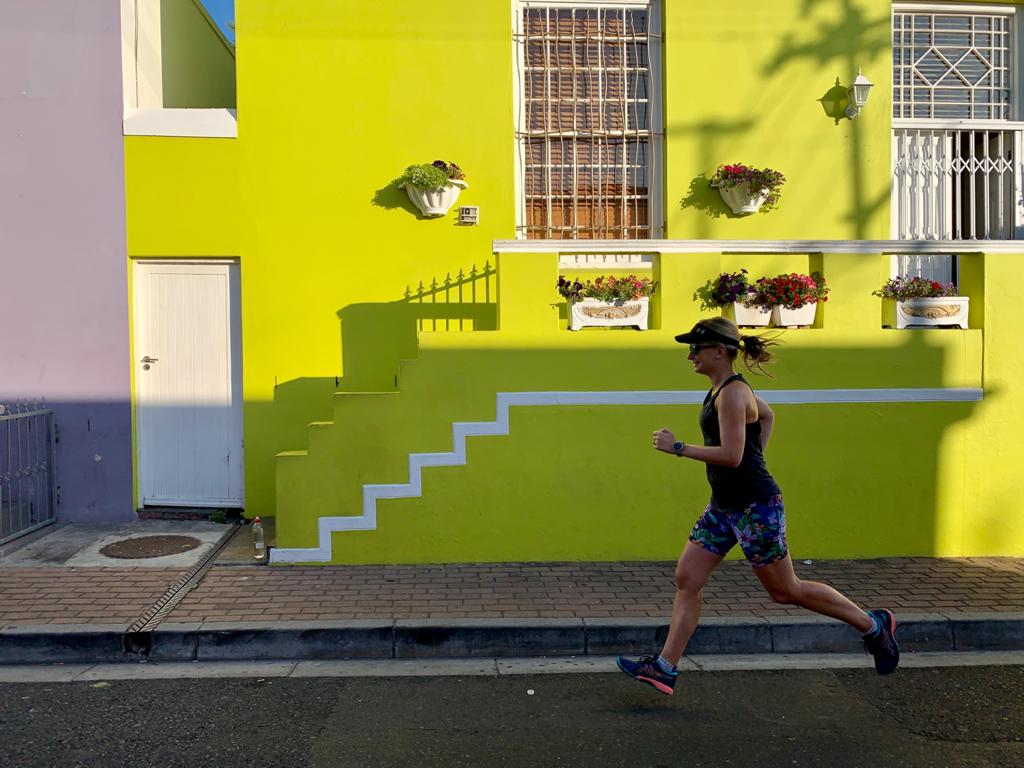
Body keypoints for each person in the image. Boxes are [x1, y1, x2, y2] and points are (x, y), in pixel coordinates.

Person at [616, 317, 899, 696]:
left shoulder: (733, 393)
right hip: (724, 507)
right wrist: (756, 457)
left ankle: (873, 625)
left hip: (754, 507)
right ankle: (665, 667)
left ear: (719, 352)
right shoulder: (721, 389)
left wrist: (678, 448)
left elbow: (732, 455)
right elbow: (767, 416)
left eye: (695, 349)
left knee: (785, 590)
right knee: (688, 578)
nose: (690, 356)